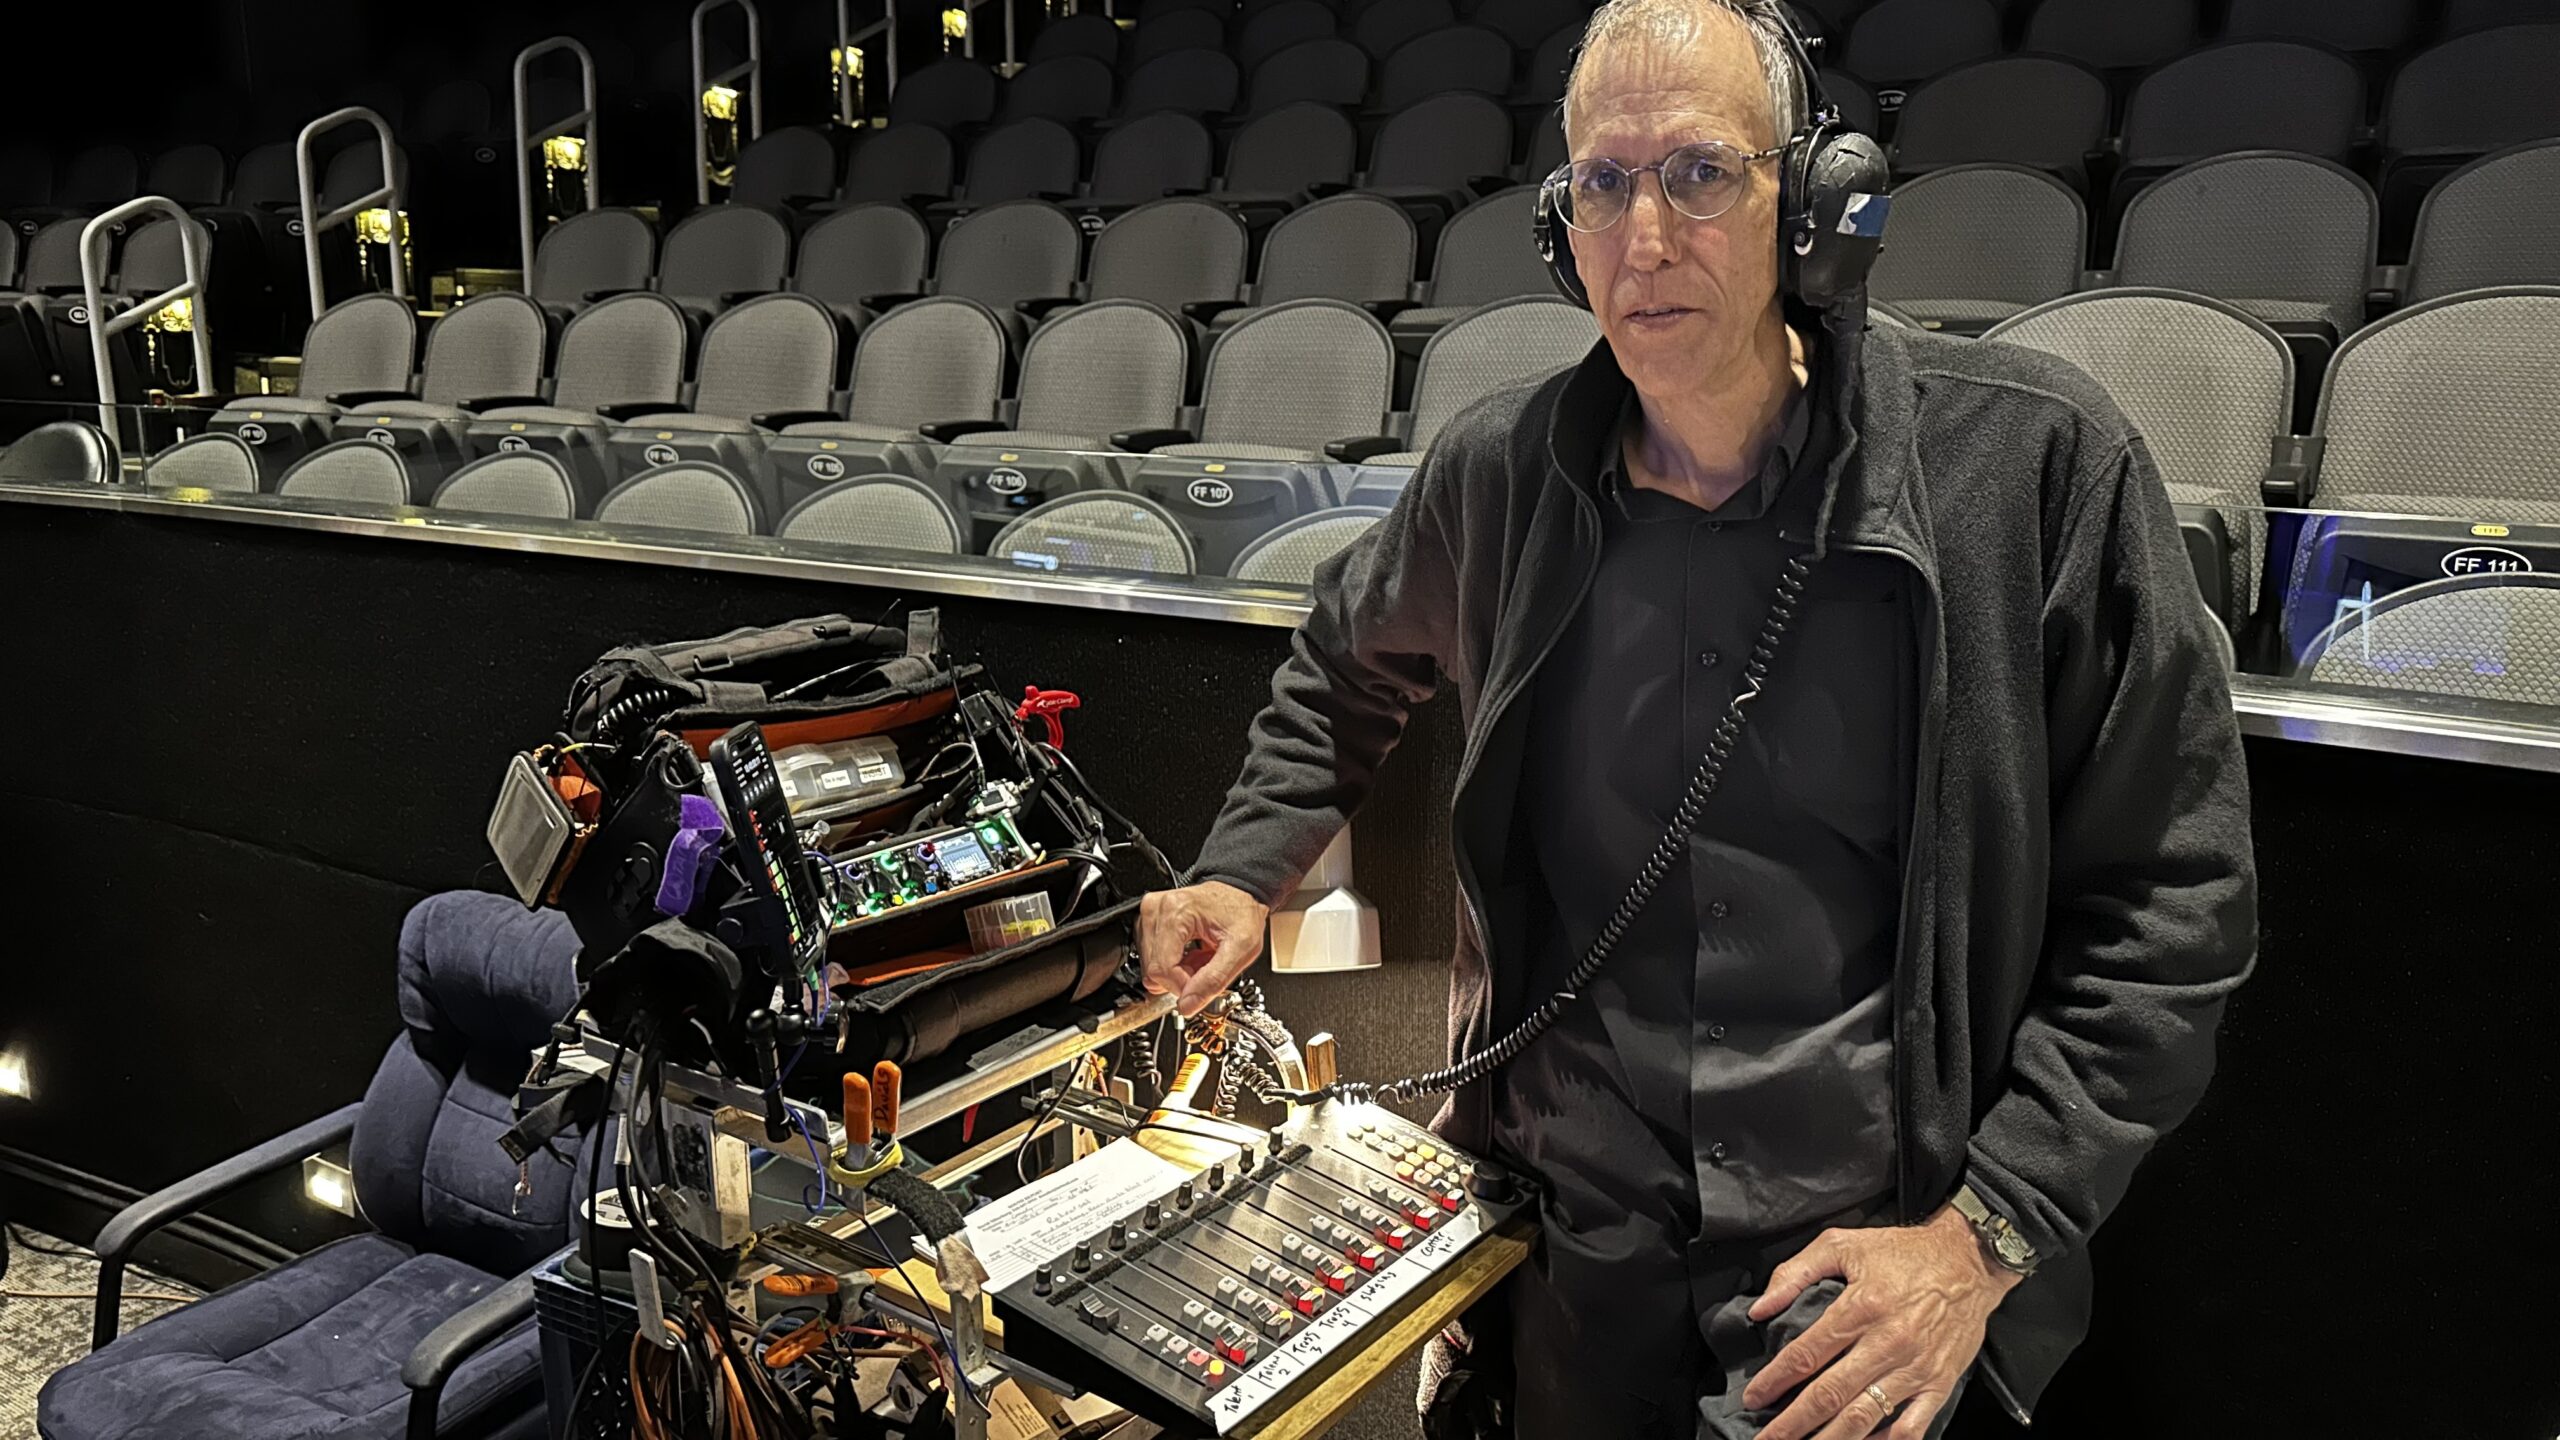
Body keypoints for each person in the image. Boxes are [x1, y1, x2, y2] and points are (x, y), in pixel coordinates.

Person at [1138, 0, 2257, 1435]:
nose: (1645, 239)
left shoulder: (2037, 471)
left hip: (1866, 1297)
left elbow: (2177, 902)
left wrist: (1989, 1238)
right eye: (1601, 186)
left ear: (1816, 205)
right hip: (1569, 1273)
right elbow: (1348, 664)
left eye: (1700, 174)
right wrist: (1245, 864)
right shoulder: (1499, 473)